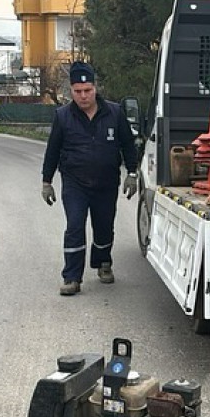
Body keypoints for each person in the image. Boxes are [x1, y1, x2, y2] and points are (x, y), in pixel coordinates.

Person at [40, 61, 139, 296]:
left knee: (104, 226)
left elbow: (128, 145)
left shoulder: (114, 112)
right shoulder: (63, 116)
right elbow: (52, 150)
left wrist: (132, 174)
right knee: (75, 226)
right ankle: (72, 277)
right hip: (75, 183)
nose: (83, 96)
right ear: (71, 92)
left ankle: (103, 262)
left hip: (106, 183)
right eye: (78, 92)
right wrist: (47, 181)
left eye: (88, 91)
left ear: (95, 88)